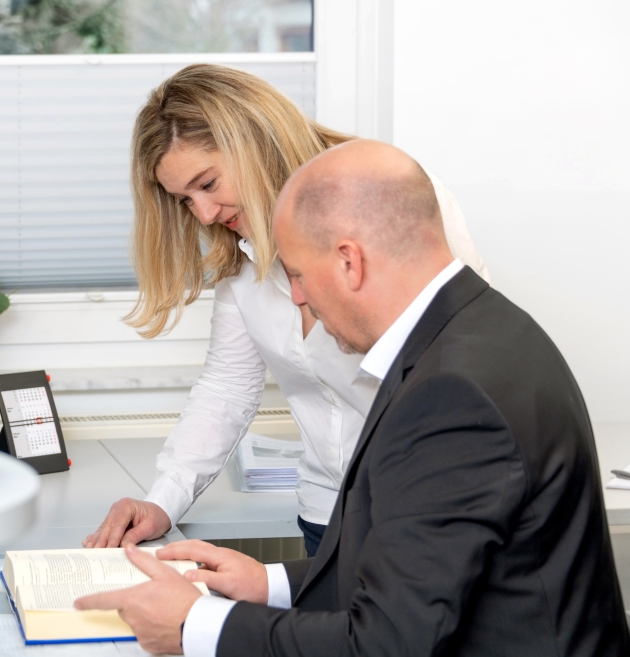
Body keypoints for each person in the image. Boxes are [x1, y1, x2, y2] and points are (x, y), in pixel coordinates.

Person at [74, 140, 630, 656]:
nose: (295, 299)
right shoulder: (487, 328)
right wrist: (266, 581)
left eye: (295, 275)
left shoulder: (450, 401)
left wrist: (195, 625)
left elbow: (387, 642)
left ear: (349, 261)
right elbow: (421, 571)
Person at [83, 64, 490, 556]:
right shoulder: (239, 254)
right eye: (185, 201)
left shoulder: (394, 199)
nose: (205, 214)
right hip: (326, 514)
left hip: (426, 507)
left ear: (254, 141)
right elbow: (227, 388)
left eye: (208, 183)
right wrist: (163, 501)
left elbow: (465, 360)